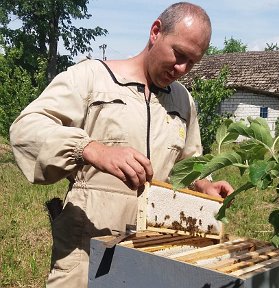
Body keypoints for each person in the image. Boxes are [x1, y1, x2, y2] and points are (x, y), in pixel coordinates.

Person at [10, 2, 233, 287]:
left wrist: (204, 184)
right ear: (156, 32)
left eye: (192, 62)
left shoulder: (183, 101)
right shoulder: (91, 77)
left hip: (154, 251)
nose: (182, 68)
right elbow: (25, 129)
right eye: (179, 55)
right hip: (84, 251)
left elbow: (188, 163)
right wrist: (92, 149)